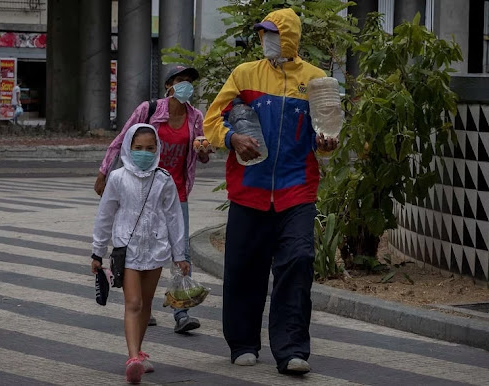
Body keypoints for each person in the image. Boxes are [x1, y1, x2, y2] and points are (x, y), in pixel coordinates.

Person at [203, 8, 338, 375]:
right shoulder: (244, 74)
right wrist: (232, 138)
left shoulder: (315, 79)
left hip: (297, 189)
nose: (267, 40)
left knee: (298, 261)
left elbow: (324, 130)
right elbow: (213, 119)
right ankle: (243, 343)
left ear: (290, 37)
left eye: (273, 34)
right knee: (244, 268)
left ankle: (292, 349)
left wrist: (326, 143)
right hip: (249, 189)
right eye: (263, 34)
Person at [94, 66, 210, 333]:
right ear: (169, 84)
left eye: (190, 82)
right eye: (182, 81)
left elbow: (201, 155)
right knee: (141, 245)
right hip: (142, 187)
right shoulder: (149, 110)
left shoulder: (195, 117)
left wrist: (204, 151)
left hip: (176, 190)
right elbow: (122, 139)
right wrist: (103, 172)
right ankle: (143, 306)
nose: (187, 87)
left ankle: (182, 310)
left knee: (182, 250)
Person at [90, 123, 190, 384]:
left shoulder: (164, 179)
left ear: (157, 149)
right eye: (138, 148)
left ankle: (139, 351)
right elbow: (105, 215)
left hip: (156, 250)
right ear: (128, 148)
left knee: (145, 305)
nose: (144, 153)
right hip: (127, 250)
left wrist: (181, 255)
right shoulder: (118, 178)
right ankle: (133, 357)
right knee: (133, 303)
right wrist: (97, 252)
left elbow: (174, 218)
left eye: (149, 148)